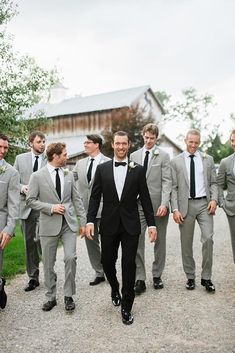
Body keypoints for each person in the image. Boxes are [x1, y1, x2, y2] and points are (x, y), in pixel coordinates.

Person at [86, 131, 157, 325]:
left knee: (128, 264)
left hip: (130, 224)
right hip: (108, 223)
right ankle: (114, 287)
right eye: (117, 144)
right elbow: (94, 197)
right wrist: (90, 220)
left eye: (124, 144)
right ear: (113, 144)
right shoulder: (102, 169)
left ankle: (127, 305)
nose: (121, 147)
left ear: (129, 145)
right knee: (106, 261)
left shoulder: (138, 170)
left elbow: (145, 198)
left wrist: (151, 224)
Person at [26, 142, 86, 312]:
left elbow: (77, 199)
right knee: (48, 263)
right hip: (48, 225)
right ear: (55, 156)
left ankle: (68, 295)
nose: (67, 157)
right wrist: (51, 208)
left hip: (68, 223)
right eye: (65, 154)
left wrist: (83, 222)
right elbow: (30, 201)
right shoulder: (37, 176)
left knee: (70, 258)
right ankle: (51, 296)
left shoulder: (68, 174)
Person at [170, 129, 218, 292]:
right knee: (186, 243)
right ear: (185, 140)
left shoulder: (208, 159)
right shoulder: (175, 161)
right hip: (185, 206)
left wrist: (214, 199)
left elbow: (214, 183)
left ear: (200, 142)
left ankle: (206, 278)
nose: (193, 145)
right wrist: (175, 209)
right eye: (190, 142)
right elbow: (174, 188)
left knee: (208, 239)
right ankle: (190, 276)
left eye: (196, 142)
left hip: (205, 204)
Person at [130, 123, 171, 294]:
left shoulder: (163, 155)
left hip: (157, 206)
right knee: (137, 240)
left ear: (156, 138)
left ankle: (157, 275)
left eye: (151, 138)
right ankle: (140, 278)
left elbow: (167, 181)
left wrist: (164, 203)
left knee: (159, 241)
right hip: (138, 205)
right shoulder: (133, 155)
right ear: (143, 135)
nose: (148, 141)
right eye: (146, 137)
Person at [73, 134, 110, 286]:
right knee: (91, 242)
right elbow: (69, 178)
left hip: (105, 209)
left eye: (88, 142)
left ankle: (109, 270)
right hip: (86, 210)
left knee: (108, 242)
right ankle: (99, 272)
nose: (85, 145)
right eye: (85, 142)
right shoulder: (80, 163)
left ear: (97, 145)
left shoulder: (109, 162)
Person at [14, 131, 47, 292]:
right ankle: (33, 278)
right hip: (26, 208)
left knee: (43, 241)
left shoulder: (50, 160)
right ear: (31, 143)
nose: (42, 144)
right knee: (29, 245)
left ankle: (49, 275)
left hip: (43, 207)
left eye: (44, 141)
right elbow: (14, 180)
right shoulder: (20, 159)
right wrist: (21, 187)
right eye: (39, 141)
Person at [0, 134, 20, 309]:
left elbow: (14, 204)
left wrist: (10, 228)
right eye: (0, 147)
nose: (3, 151)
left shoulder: (11, 172)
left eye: (5, 148)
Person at [217, 129, 235, 263]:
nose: (233, 143)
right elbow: (219, 184)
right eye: (232, 140)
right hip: (232, 209)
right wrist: (222, 203)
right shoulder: (225, 162)